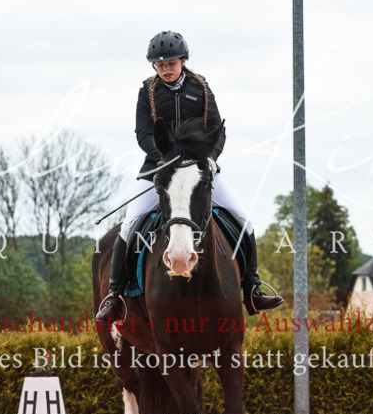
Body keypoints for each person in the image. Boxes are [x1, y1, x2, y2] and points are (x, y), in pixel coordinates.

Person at [96, 30, 284, 322]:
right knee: (129, 225)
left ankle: (252, 289)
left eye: (171, 63)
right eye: (160, 65)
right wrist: (168, 159)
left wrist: (208, 159)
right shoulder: (147, 91)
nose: (166, 69)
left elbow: (217, 131)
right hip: (158, 170)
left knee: (243, 219)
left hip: (199, 171)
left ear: (183, 60)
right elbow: (143, 133)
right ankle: (115, 295)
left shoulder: (202, 88)